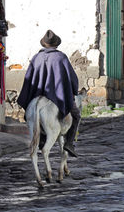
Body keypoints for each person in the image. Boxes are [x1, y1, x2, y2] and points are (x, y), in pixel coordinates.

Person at [17, 30, 80, 158]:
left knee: (32, 113)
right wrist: (74, 91)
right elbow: (72, 78)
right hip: (58, 97)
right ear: (56, 44)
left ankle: (41, 138)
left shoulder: (36, 58)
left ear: (44, 44)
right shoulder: (61, 57)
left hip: (37, 95)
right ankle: (69, 143)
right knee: (76, 115)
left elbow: (28, 78)